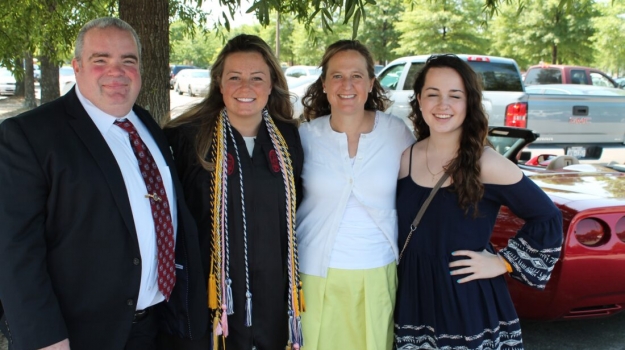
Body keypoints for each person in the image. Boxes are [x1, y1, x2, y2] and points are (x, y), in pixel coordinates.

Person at [0, 17, 206, 350]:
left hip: (157, 327)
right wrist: (45, 340)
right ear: (77, 67)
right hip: (78, 335)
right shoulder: (31, 136)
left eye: (129, 61)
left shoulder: (146, 124)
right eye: (101, 61)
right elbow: (14, 252)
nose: (117, 71)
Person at [394, 54, 563, 349]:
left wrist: (503, 262)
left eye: (454, 96)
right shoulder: (406, 157)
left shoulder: (487, 163)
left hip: (465, 301)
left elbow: (547, 217)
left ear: (469, 103)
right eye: (432, 94)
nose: (442, 105)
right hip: (413, 297)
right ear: (419, 100)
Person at [162, 34, 305, 350]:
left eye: (257, 78)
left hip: (272, 303)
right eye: (235, 77)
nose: (246, 87)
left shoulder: (288, 139)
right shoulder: (186, 138)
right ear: (219, 83)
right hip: (209, 301)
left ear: (270, 85)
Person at [296, 40, 415, 350]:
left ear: (371, 83)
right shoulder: (304, 137)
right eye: (337, 76)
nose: (346, 84)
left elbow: (420, 190)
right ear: (323, 84)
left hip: (377, 270)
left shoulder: (397, 133)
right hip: (314, 272)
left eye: (357, 75)